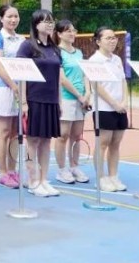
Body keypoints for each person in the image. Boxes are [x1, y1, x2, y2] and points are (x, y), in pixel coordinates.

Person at [16, 10, 63, 197]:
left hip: (51, 101)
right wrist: (24, 102)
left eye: (51, 21)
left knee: (46, 141)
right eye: (45, 21)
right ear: (36, 25)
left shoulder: (55, 49)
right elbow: (20, 75)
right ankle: (32, 180)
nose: (50, 24)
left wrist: (59, 102)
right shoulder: (27, 46)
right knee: (32, 141)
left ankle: (43, 180)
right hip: (34, 100)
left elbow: (58, 78)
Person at [89, 27, 129, 192]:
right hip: (104, 108)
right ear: (98, 41)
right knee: (103, 143)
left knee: (116, 143)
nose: (112, 41)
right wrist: (113, 103)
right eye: (108, 38)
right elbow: (96, 86)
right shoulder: (94, 61)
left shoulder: (117, 60)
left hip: (120, 108)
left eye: (114, 38)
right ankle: (100, 178)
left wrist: (124, 101)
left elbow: (123, 81)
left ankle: (113, 176)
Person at [0, 4, 25, 189]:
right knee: (3, 132)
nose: (13, 19)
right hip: (4, 89)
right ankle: (3, 172)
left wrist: (22, 89)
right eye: (9, 16)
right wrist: (13, 86)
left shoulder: (22, 39)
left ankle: (12, 170)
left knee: (15, 133)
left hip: (20, 89)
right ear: (1, 19)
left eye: (16, 16)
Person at [54, 20, 91, 184]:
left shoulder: (79, 53)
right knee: (63, 135)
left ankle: (74, 166)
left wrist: (87, 93)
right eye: (67, 31)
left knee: (76, 136)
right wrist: (78, 96)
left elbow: (85, 74)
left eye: (73, 30)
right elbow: (62, 79)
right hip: (66, 99)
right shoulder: (57, 52)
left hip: (81, 99)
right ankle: (62, 169)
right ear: (59, 34)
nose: (72, 33)